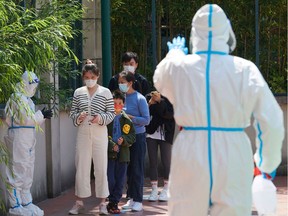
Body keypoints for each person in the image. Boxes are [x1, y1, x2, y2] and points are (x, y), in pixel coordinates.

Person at [153, 4, 284, 216]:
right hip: (233, 149)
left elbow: (160, 78)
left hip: (190, 149)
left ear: (195, 32)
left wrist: (174, 55)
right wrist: (266, 165)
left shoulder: (178, 67)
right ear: (227, 31)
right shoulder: (245, 69)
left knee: (184, 210)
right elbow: (272, 121)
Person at [69, 62, 115, 215]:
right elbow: (72, 112)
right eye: (87, 77)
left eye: (92, 77)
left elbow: (111, 113)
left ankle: (103, 202)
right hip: (83, 132)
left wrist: (100, 118)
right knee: (81, 166)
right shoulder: (78, 92)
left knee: (101, 167)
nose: (89, 80)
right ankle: (79, 202)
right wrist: (79, 117)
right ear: (83, 77)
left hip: (99, 132)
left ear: (98, 76)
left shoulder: (106, 92)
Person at [4, 71, 53, 216]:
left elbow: (31, 121)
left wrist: (42, 117)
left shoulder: (28, 100)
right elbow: (24, 118)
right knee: (17, 171)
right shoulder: (16, 98)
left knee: (27, 172)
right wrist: (40, 115)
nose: (34, 89)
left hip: (28, 138)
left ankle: (26, 202)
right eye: (33, 85)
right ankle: (15, 206)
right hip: (18, 137)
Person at [117, 71, 150, 212]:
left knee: (137, 169)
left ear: (130, 83)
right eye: (119, 82)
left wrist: (131, 118)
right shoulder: (121, 98)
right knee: (127, 169)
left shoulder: (140, 98)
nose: (120, 84)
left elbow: (146, 120)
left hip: (137, 137)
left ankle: (138, 200)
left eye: (123, 82)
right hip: (124, 139)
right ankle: (130, 197)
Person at [106, 90, 136, 214]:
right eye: (114, 103)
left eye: (119, 103)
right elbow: (102, 136)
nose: (117, 106)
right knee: (110, 179)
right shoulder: (106, 119)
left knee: (120, 180)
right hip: (110, 154)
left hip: (123, 155)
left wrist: (124, 139)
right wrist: (111, 145)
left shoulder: (127, 120)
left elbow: (132, 136)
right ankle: (111, 200)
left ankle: (114, 202)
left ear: (123, 104)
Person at [145, 90, 175, 202]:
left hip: (166, 133)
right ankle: (154, 189)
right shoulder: (149, 96)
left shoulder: (171, 97)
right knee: (153, 162)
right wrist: (150, 103)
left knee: (166, 161)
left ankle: (166, 189)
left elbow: (169, 115)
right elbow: (146, 113)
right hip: (151, 133)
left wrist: (160, 101)